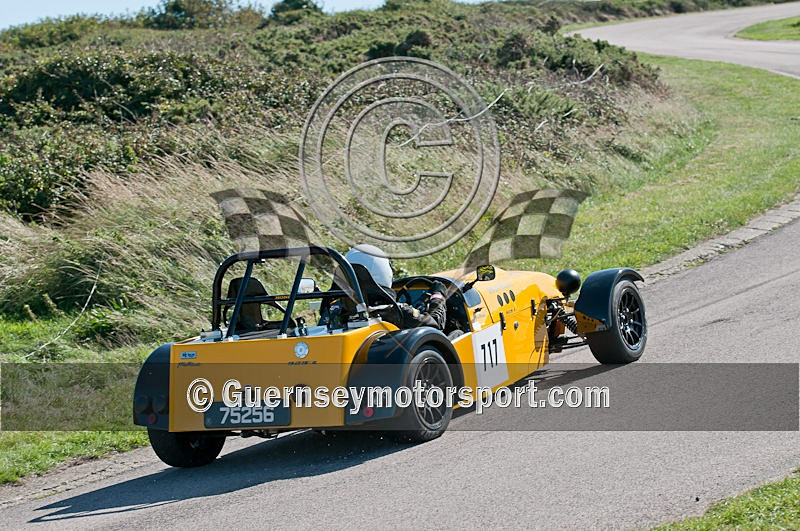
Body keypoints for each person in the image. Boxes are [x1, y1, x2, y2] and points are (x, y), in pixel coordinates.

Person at [344, 244, 447, 330]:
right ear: (384, 271)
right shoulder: (397, 312)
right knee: (457, 333)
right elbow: (435, 324)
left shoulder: (337, 310)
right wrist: (437, 297)